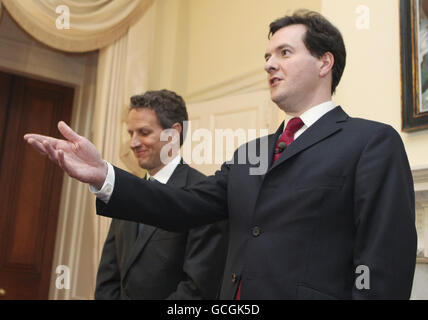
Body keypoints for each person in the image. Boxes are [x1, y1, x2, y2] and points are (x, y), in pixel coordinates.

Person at [24, 10, 417, 299]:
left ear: (324, 62)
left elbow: (385, 269)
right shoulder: (251, 154)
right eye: (267, 56)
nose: (269, 64)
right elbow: (181, 204)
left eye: (283, 52)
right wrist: (104, 176)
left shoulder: (370, 143)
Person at [94, 90, 228, 299]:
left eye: (144, 132)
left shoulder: (203, 194)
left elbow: (197, 289)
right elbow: (108, 277)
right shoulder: (127, 192)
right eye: (131, 133)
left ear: (173, 134)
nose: (133, 143)